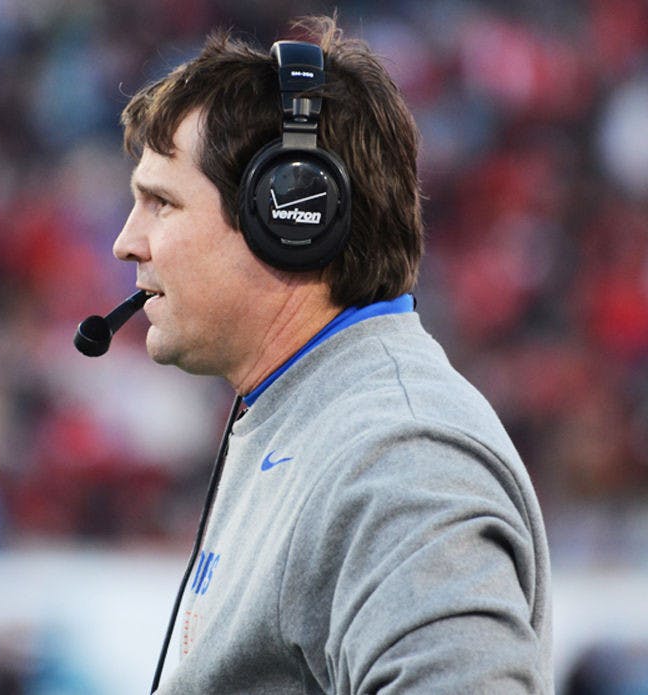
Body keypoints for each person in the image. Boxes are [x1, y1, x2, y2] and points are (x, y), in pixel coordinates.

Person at [109, 14, 553, 694]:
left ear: (291, 213)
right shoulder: (317, 417)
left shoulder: (400, 457)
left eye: (160, 203)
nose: (126, 242)